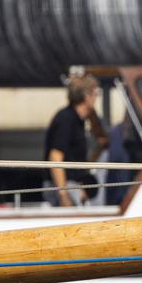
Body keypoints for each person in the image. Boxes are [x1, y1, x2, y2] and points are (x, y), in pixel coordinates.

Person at [43, 74, 100, 207]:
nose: (97, 98)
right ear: (87, 97)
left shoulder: (78, 120)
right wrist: (64, 195)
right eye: (96, 94)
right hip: (64, 186)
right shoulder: (66, 119)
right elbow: (55, 156)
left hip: (72, 186)